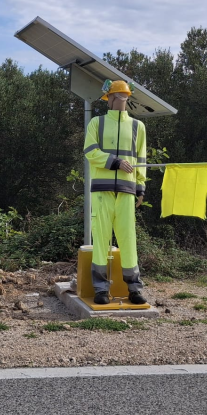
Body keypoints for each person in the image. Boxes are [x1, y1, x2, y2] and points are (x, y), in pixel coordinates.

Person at [83, 79, 148, 305]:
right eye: (116, 96)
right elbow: (90, 152)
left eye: (123, 97)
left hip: (127, 190)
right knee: (101, 239)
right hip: (101, 190)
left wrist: (141, 187)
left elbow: (141, 159)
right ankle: (101, 289)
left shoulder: (138, 127)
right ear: (108, 99)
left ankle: (134, 289)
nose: (120, 100)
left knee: (128, 239)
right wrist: (115, 162)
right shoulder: (96, 124)